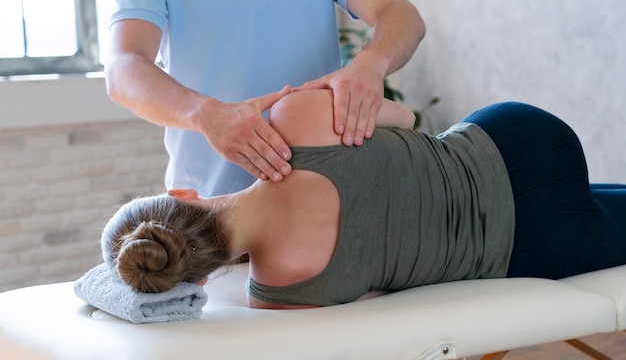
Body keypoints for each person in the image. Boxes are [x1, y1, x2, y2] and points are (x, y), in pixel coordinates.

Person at [101, 89, 626, 308]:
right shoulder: (294, 118)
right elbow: (407, 119)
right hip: (517, 139)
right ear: (182, 193)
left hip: (536, 238)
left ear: (197, 278)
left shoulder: (283, 293)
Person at [104, 0, 426, 196]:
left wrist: (371, 64)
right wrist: (204, 114)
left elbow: (399, 13)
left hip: (324, 202)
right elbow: (123, 67)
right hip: (209, 212)